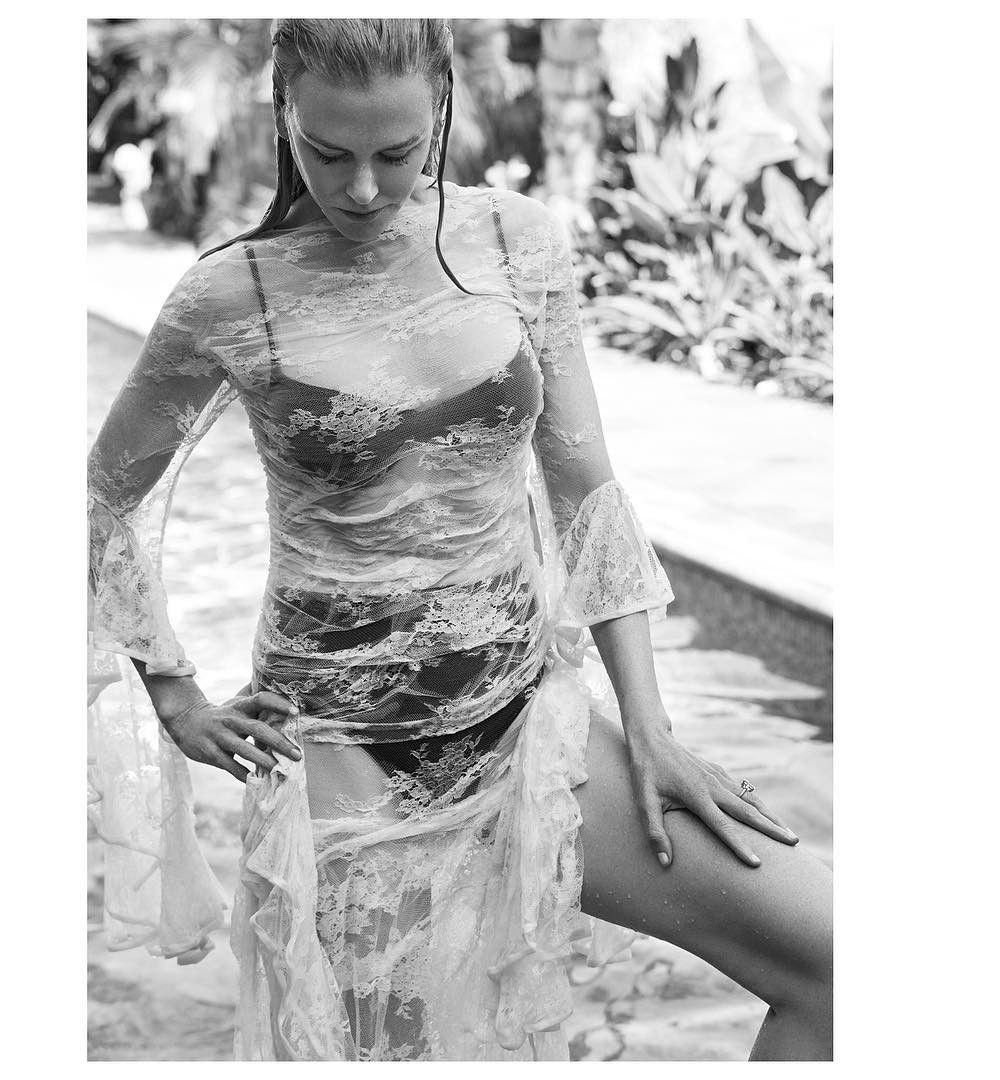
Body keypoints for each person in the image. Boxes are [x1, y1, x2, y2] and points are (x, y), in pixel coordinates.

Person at [87, 18, 832, 1062]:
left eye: (396, 153)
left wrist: (650, 728)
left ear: (440, 101)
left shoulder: (519, 240)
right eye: (326, 152)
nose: (361, 189)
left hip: (530, 719)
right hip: (338, 748)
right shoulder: (230, 293)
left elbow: (584, 491)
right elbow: (101, 503)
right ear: (283, 109)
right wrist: (174, 693)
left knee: (837, 964)